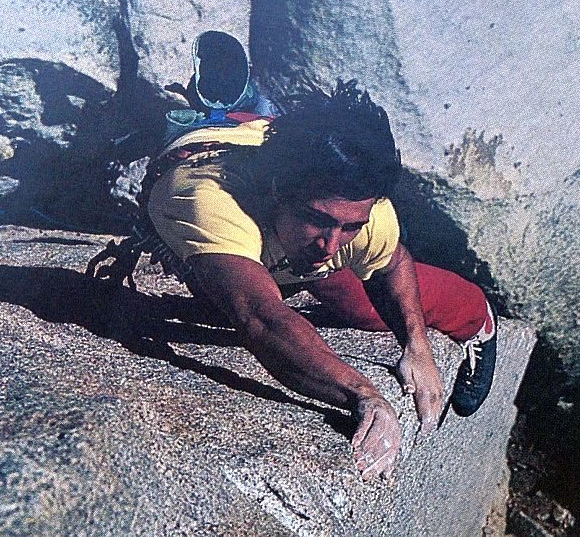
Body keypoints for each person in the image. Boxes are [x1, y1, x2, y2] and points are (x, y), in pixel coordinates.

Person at [133, 79, 498, 481]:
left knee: (353, 298)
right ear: (277, 191)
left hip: (269, 173)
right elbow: (260, 317)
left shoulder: (362, 211)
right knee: (228, 297)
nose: (330, 243)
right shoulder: (207, 202)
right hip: (217, 154)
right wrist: (365, 395)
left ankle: (476, 317)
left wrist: (417, 343)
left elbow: (392, 263)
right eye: (318, 220)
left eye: (350, 227)